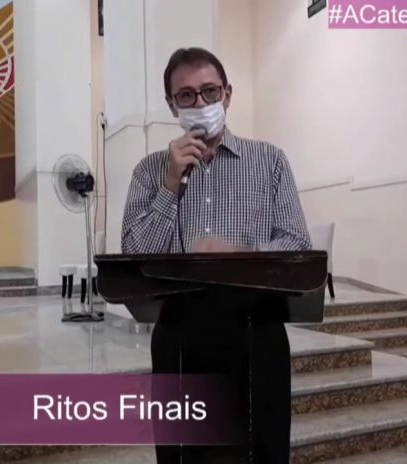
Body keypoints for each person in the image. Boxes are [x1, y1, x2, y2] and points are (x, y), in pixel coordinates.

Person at [121, 47, 311, 463]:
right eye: (186, 95)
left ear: (228, 94)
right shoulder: (148, 171)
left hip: (257, 331)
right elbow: (135, 258)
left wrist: (238, 255)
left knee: (263, 451)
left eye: (210, 91)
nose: (201, 102)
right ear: (171, 104)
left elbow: (297, 243)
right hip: (179, 336)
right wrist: (170, 185)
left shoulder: (269, 161)